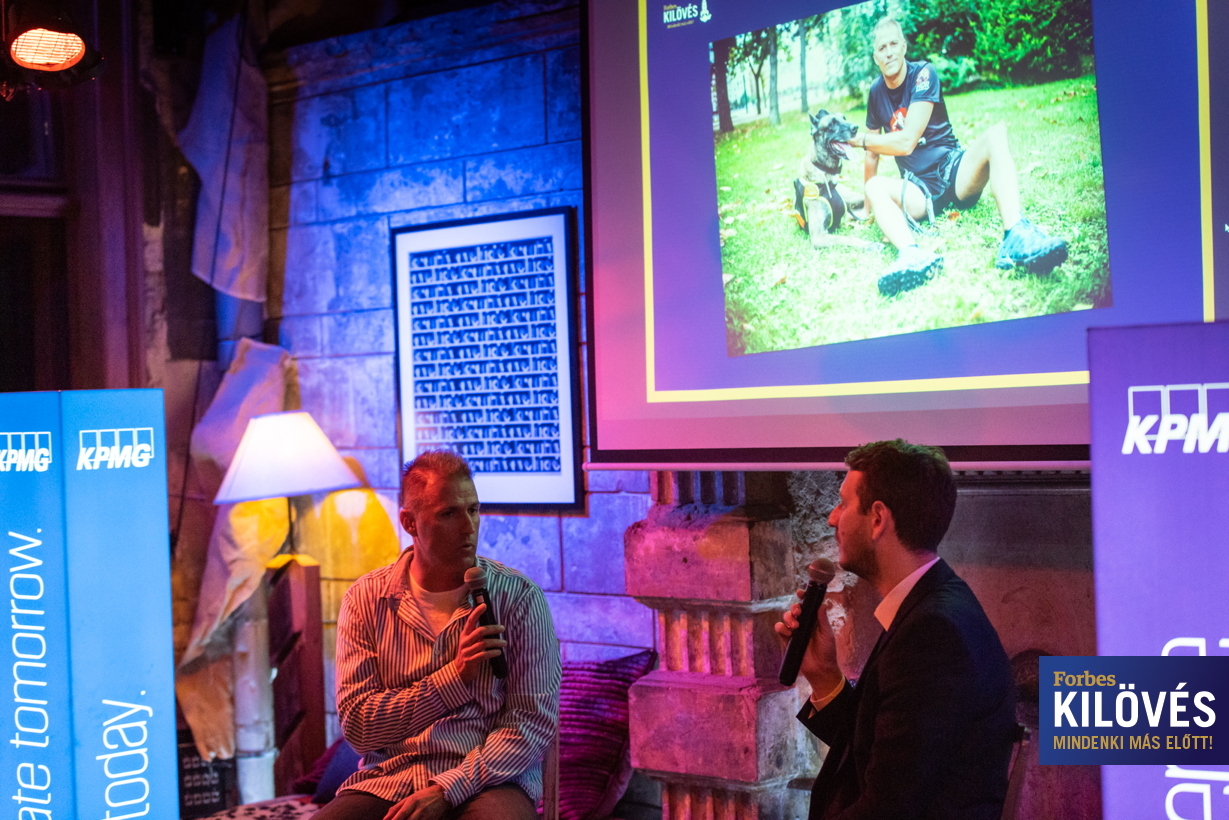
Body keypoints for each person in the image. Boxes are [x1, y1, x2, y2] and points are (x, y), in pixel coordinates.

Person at [776, 440, 1015, 819]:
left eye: (843, 503)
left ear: (877, 519)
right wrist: (824, 677)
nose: (832, 519)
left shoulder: (932, 633)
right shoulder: (929, 606)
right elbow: (879, 756)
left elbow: (888, 807)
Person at [315, 451, 560, 820]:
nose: (468, 527)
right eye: (449, 514)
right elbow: (360, 728)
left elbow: (530, 723)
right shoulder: (366, 599)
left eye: (473, 510)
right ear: (409, 522)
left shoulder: (519, 598)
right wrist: (454, 679)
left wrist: (448, 788)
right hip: (390, 778)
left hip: (488, 780)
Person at [849, 17, 1068, 297]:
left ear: (904, 46)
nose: (889, 52)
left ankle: (1016, 234)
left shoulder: (924, 73)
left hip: (954, 173)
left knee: (996, 133)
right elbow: (872, 156)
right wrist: (868, 209)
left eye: (894, 44)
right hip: (918, 192)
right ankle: (912, 256)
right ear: (875, 57)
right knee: (874, 185)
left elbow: (906, 141)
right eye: (882, 47)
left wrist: (860, 139)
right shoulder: (876, 92)